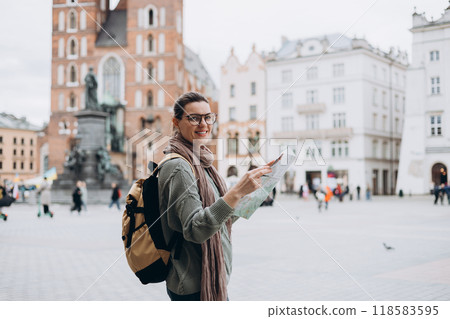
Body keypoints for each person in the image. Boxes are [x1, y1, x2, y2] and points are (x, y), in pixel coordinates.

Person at [158, 92, 272, 301]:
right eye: (194, 118)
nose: (204, 124)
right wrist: (236, 191)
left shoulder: (202, 162)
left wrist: (252, 192)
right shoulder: (179, 166)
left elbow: (221, 218)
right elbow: (196, 229)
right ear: (176, 122)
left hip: (211, 279)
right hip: (194, 285)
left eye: (208, 117)